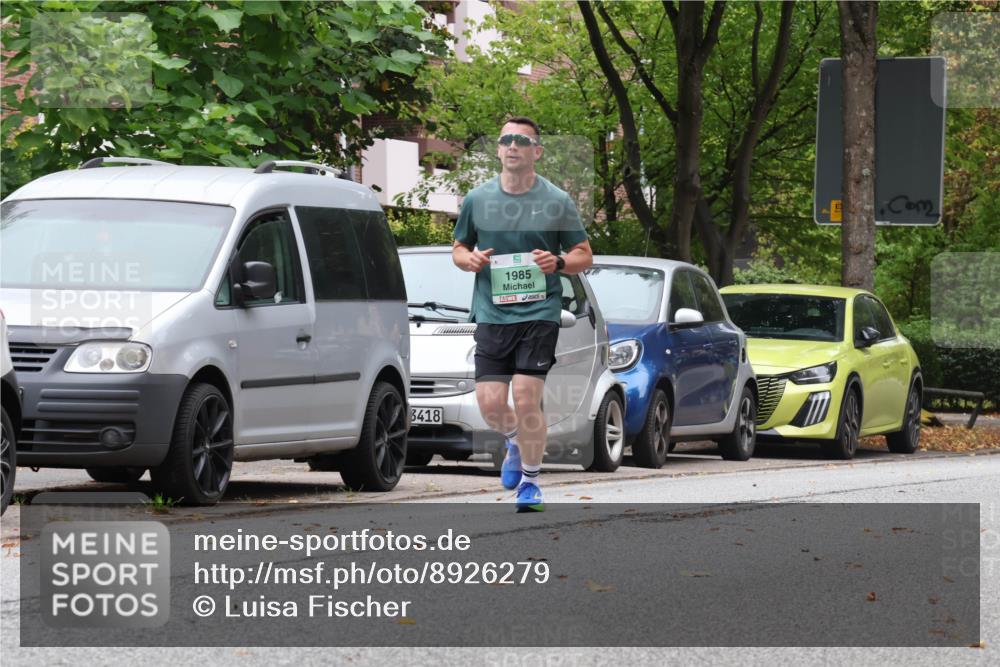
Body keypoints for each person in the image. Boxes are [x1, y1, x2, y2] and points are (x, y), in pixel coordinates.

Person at [452, 117, 593, 512]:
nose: (513, 146)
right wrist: (471, 259)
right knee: (491, 405)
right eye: (506, 140)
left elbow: (584, 255)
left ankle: (531, 483)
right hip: (493, 316)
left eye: (522, 141)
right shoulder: (477, 200)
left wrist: (560, 261)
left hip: (539, 313)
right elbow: (459, 248)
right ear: (498, 149)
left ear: (536, 151)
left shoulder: (557, 201)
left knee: (527, 398)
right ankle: (515, 440)